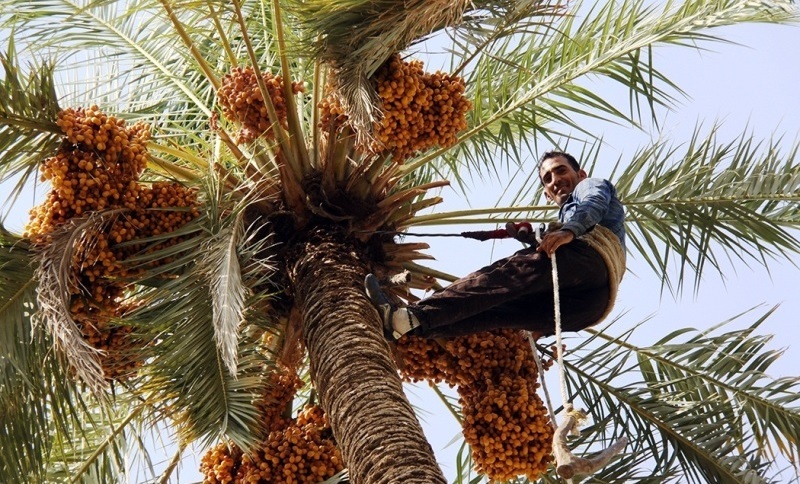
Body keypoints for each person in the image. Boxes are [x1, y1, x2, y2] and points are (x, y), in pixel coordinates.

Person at [366, 151, 626, 341]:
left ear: (580, 174)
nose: (555, 179)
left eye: (560, 170)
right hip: (586, 309)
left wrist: (569, 231)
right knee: (495, 310)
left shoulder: (589, 186)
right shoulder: (564, 223)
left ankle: (410, 317)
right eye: (547, 178)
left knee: (503, 276)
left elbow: (593, 202)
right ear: (547, 194)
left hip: (592, 264)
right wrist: (532, 235)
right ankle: (406, 325)